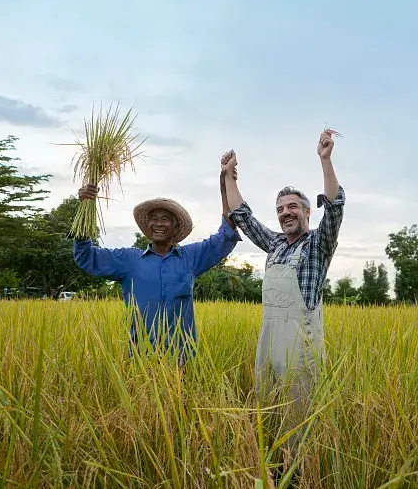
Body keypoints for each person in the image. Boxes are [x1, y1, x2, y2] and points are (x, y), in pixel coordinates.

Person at [221, 129, 345, 469]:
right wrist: (230, 176)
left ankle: (303, 473)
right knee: (268, 415)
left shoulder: (318, 246)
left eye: (292, 207)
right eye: (280, 209)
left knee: (300, 423)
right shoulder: (275, 244)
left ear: (306, 212)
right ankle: (273, 470)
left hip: (300, 349)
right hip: (268, 343)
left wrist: (325, 160)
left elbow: (334, 209)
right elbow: (243, 217)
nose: (285, 212)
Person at [73, 170, 242, 369]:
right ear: (147, 225)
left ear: (175, 226)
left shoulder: (190, 258)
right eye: (153, 218)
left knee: (182, 401)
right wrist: (85, 205)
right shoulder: (129, 260)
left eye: (165, 219)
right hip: (141, 360)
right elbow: (86, 256)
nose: (159, 223)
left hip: (181, 360)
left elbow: (226, 235)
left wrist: (225, 186)